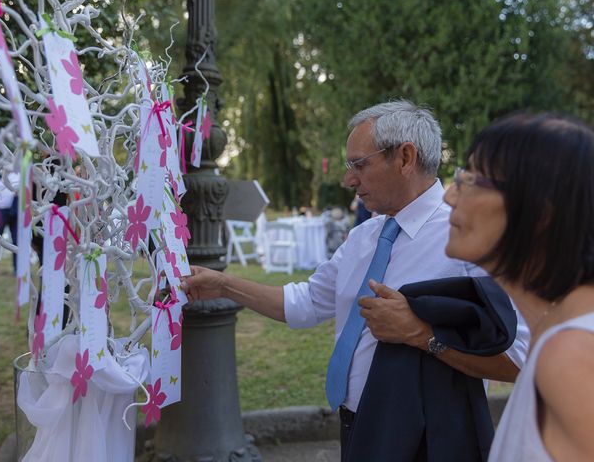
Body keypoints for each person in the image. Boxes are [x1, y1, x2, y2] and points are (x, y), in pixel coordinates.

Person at [182, 100, 529, 458]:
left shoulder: (469, 237)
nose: (348, 180)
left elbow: (519, 359)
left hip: (428, 438)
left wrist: (421, 335)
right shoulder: (366, 236)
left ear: (406, 158)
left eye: (359, 164)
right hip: (357, 428)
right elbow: (306, 303)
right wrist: (223, 285)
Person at [444, 112, 594, 461]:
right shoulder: (556, 326)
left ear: (541, 213)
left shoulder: (572, 353)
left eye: (472, 180)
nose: (449, 197)